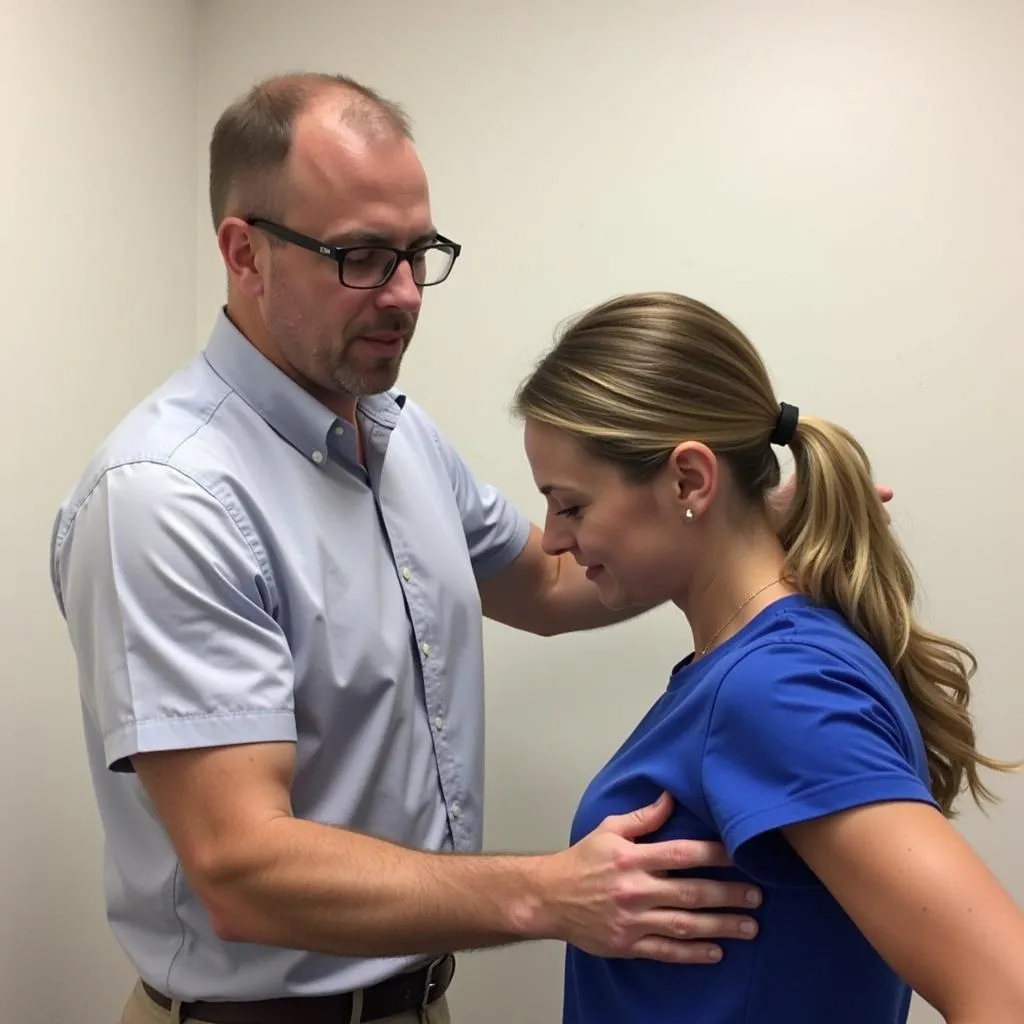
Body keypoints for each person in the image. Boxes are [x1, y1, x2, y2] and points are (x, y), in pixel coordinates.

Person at [48, 73, 786, 1024]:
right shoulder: (167, 496)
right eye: (360, 255)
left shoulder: (396, 434)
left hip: (417, 1002)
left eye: (417, 253)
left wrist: (739, 511)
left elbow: (556, 583)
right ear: (245, 253)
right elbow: (242, 869)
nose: (402, 294)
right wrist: (555, 894)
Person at [512, 289, 1024, 1024]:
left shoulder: (776, 687)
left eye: (572, 505)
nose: (554, 540)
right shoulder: (754, 665)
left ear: (689, 480)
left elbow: (1004, 989)